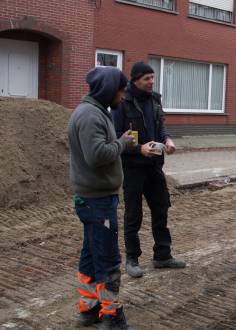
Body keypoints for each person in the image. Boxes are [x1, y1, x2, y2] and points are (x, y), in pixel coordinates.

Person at [68, 66, 134, 329]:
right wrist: (122, 143)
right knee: (107, 259)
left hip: (92, 198)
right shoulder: (90, 116)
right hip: (97, 201)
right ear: (109, 89)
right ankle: (111, 315)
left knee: (91, 254)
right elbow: (97, 156)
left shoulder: (93, 112)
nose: (123, 96)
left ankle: (89, 308)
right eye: (121, 91)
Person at [112, 62, 185, 278]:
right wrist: (138, 148)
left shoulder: (155, 99)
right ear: (135, 80)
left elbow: (160, 125)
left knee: (161, 208)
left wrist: (167, 139)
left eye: (153, 77)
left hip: (154, 165)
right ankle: (132, 259)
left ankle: (162, 255)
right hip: (133, 167)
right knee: (133, 214)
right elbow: (117, 135)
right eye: (147, 78)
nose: (151, 82)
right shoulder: (122, 102)